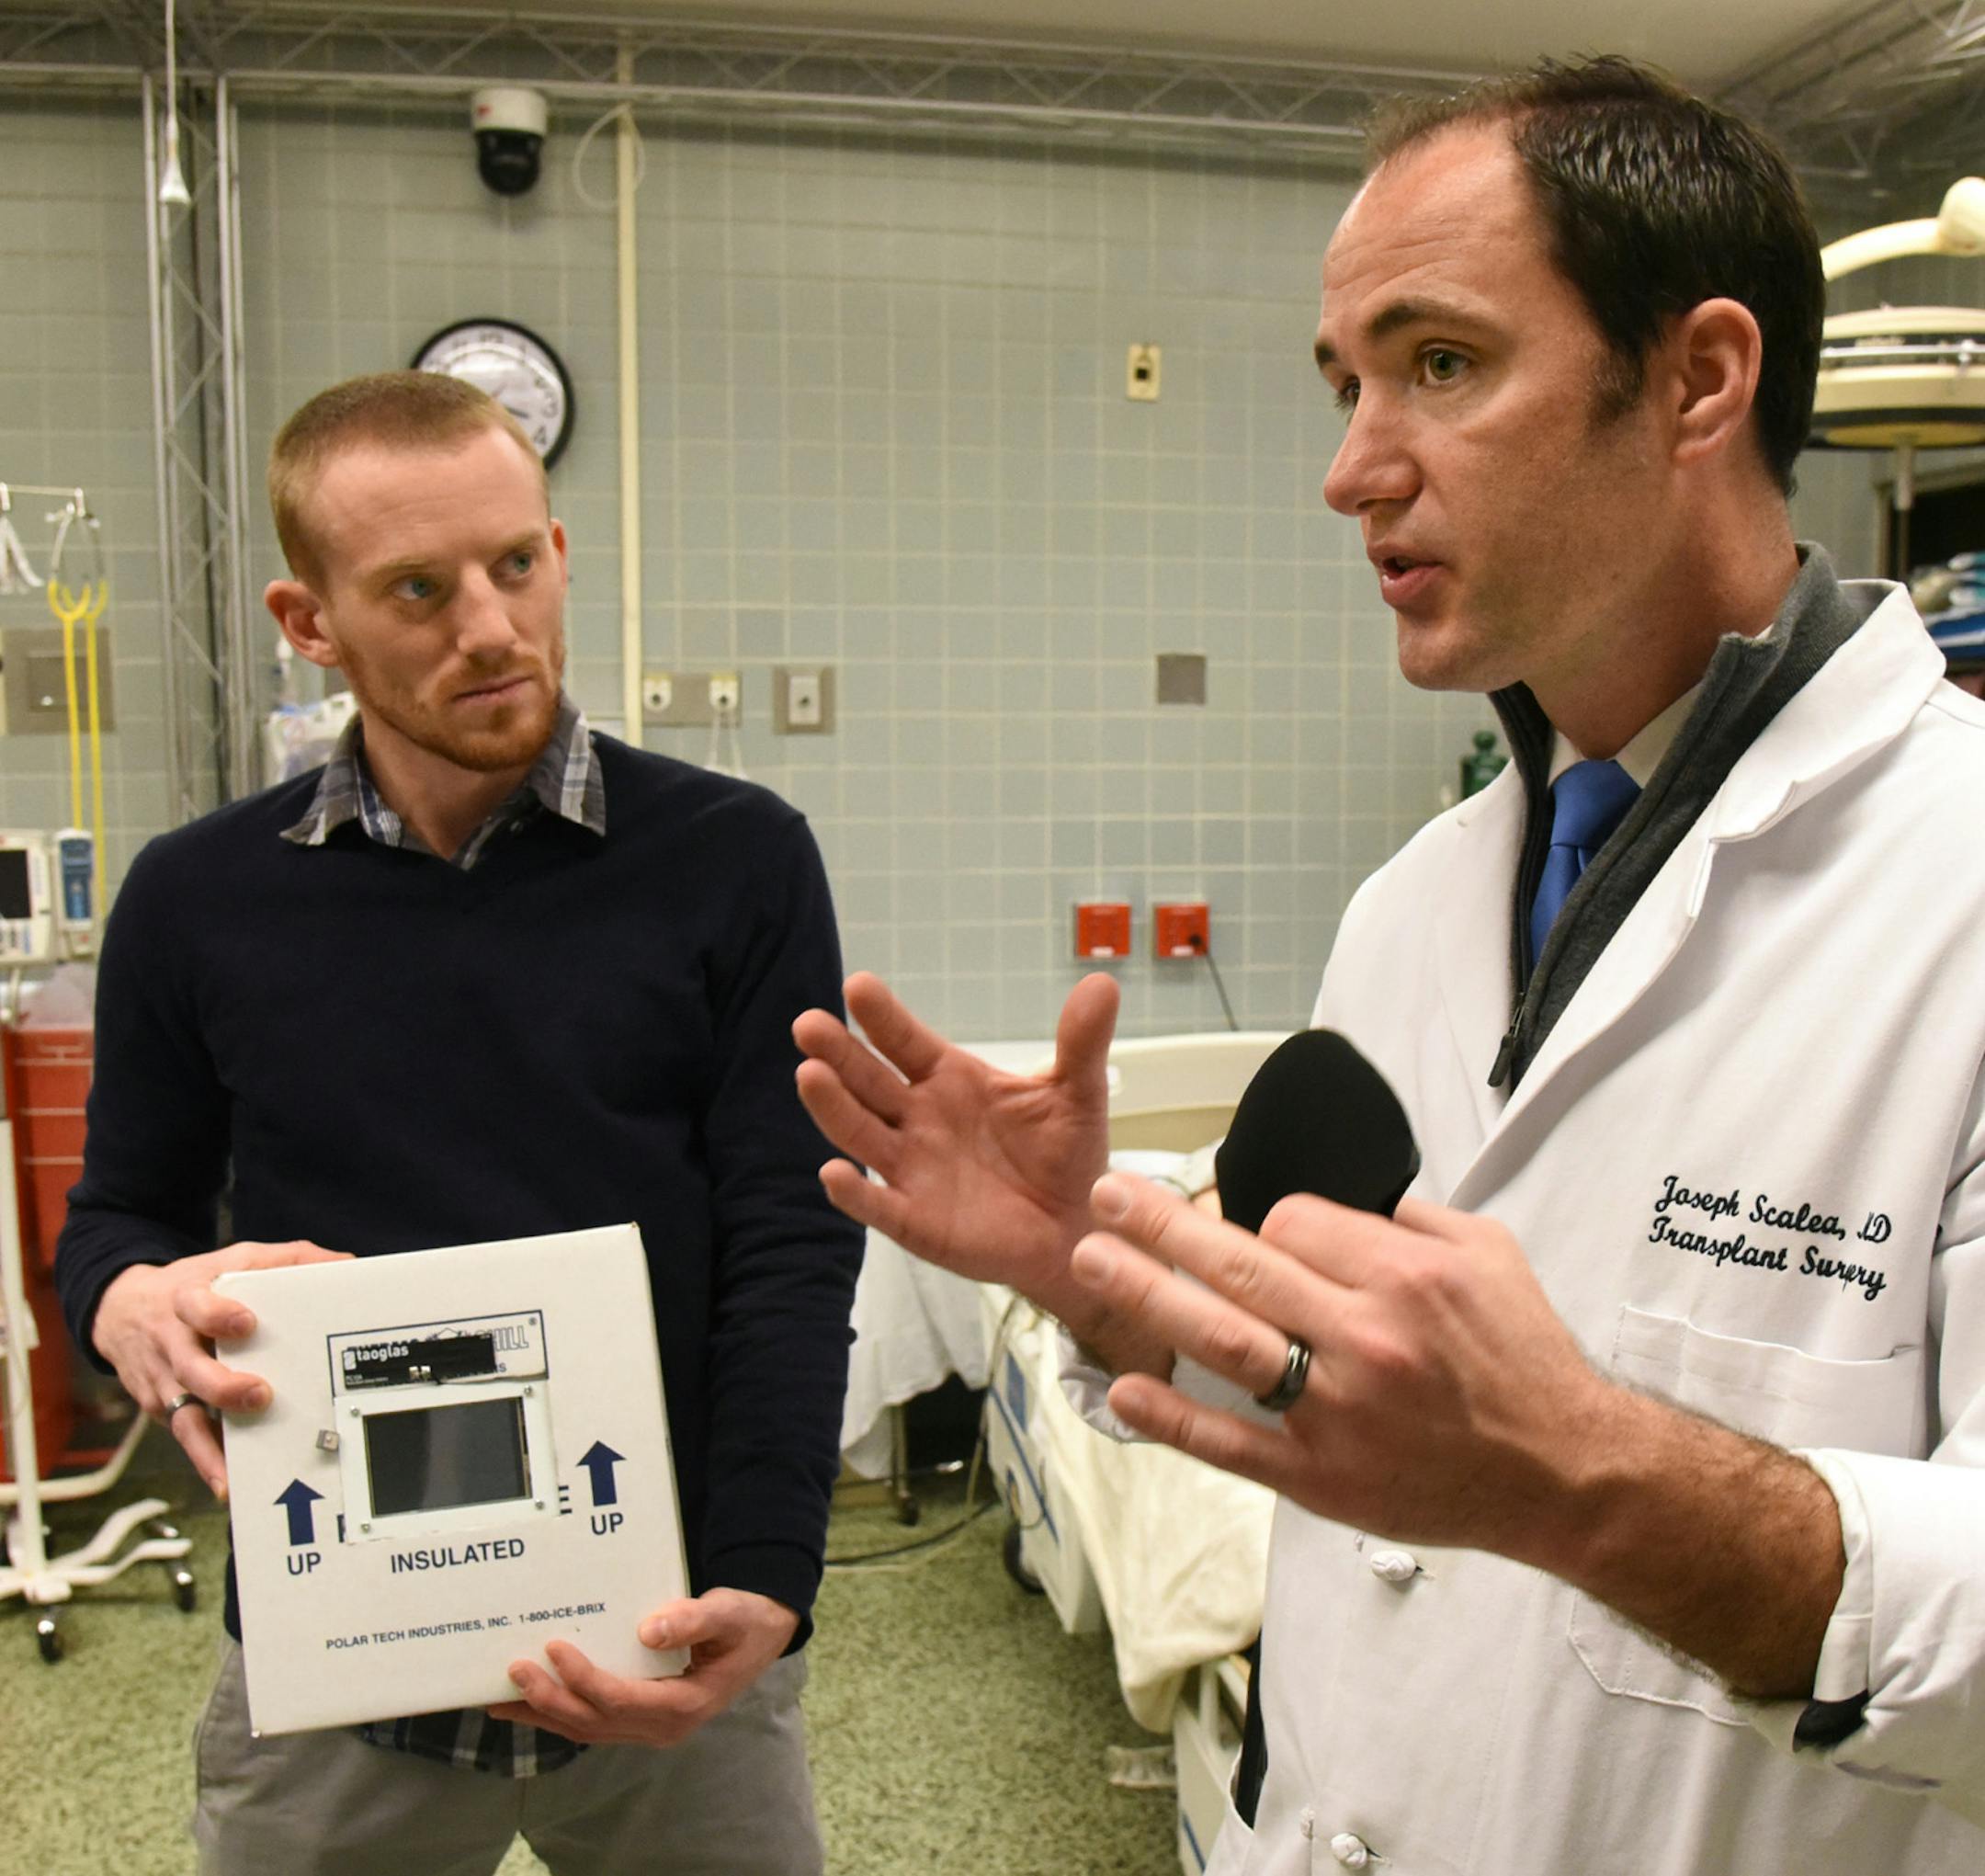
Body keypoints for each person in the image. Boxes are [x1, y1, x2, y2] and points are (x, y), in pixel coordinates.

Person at [794, 57, 1985, 1876]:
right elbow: (1353, 1404)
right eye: (1349, 383)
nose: (1352, 467)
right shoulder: (1415, 908)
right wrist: (1101, 1275)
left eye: (1440, 365)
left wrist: (1581, 1469)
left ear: (1699, 379)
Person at [53, 371, 862, 1876]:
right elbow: (117, 1220)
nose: (490, 625)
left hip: (667, 1642)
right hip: (337, 1668)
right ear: (312, 623)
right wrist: (129, 1300)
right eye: (419, 589)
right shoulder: (195, 900)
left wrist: (767, 1575)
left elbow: (788, 1239)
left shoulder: (734, 862)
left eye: (517, 564)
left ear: (558, 546)